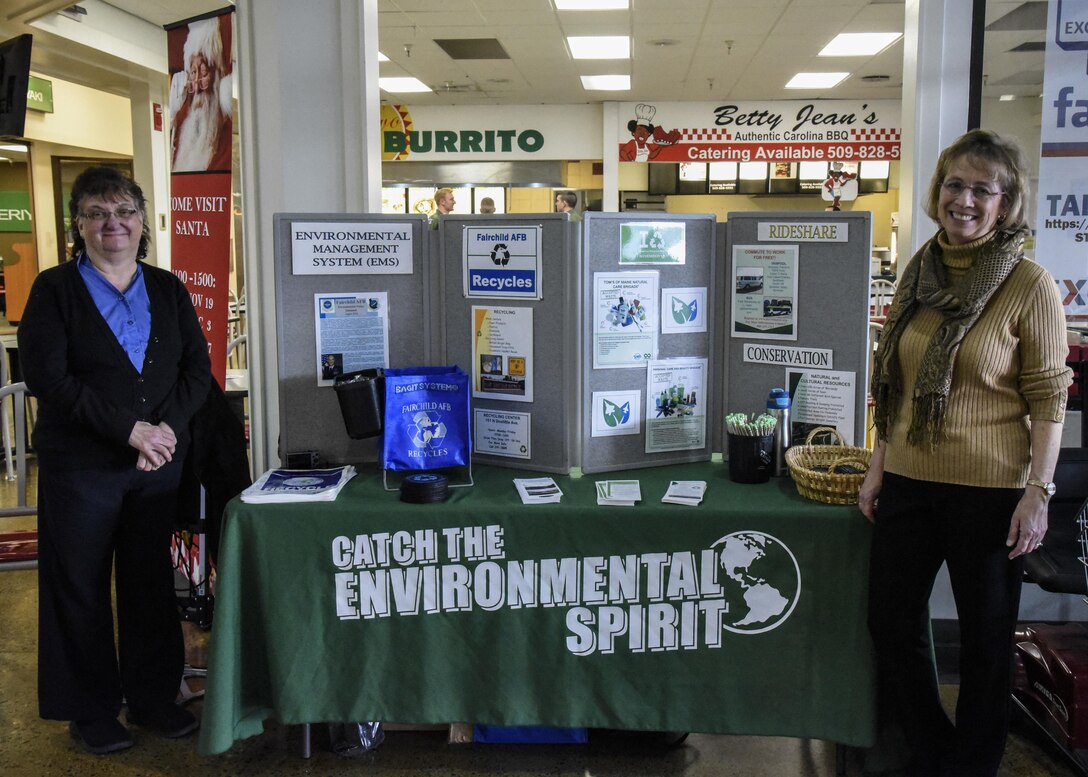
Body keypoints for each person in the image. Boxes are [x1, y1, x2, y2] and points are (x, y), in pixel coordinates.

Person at [861, 129, 1071, 776]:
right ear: (938, 190)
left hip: (990, 489)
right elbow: (894, 380)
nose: (966, 199)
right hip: (908, 479)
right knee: (890, 622)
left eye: (984, 188)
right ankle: (932, 748)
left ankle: (971, 764)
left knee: (984, 641)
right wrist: (877, 464)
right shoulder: (920, 272)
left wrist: (1039, 491)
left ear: (1005, 203)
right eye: (956, 183)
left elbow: (1048, 394)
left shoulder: (1029, 283)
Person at [19, 167, 212, 754]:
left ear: (141, 220)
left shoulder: (167, 287)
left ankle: (154, 698)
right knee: (78, 586)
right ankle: (91, 709)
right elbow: (48, 378)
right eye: (98, 214)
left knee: (150, 583)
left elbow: (196, 371)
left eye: (124, 211)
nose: (113, 224)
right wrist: (130, 431)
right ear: (78, 225)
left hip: (155, 467)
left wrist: (164, 433)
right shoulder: (54, 291)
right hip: (82, 468)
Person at [169, 16, 232, 172]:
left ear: (216, 77)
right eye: (193, 73)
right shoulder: (181, 123)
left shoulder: (226, 130)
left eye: (203, 73)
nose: (196, 86)